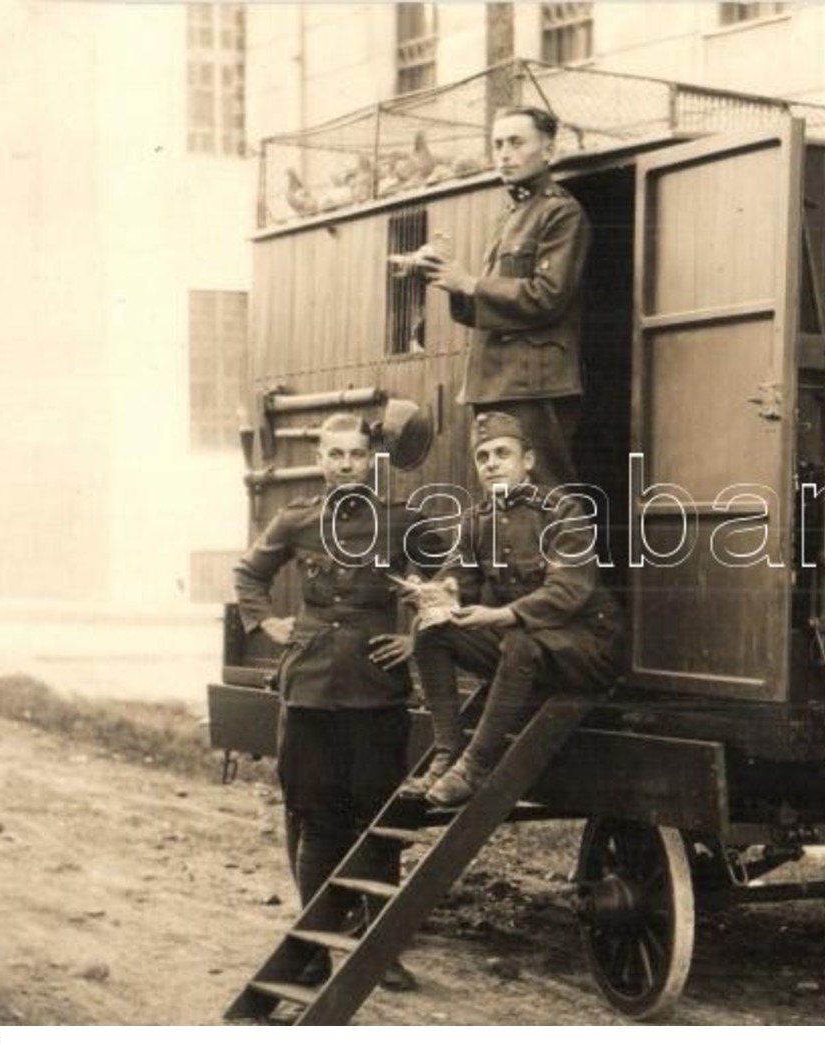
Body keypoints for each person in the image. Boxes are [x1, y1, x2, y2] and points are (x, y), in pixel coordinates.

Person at [233, 411, 425, 990]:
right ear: (320, 460)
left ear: (372, 460)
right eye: (334, 455)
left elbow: (449, 577)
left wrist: (417, 635)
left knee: (377, 818)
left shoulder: (402, 522)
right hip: (312, 688)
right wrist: (266, 624)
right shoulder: (297, 520)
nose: (346, 465)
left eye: (356, 455)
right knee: (314, 817)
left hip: (375, 689)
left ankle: (377, 949)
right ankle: (311, 950)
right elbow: (248, 574)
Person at [404, 411, 624, 807]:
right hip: (525, 648)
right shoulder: (476, 520)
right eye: (482, 457)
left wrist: (499, 616)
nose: (491, 464)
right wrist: (438, 592)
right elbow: (460, 577)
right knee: (429, 631)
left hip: (586, 648)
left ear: (528, 461)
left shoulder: (562, 511)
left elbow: (566, 592)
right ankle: (447, 751)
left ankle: (475, 766)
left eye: (502, 453)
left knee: (519, 641)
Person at [415, 105, 591, 487]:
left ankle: (569, 550)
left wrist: (471, 284)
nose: (504, 154)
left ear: (547, 150)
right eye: (497, 145)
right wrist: (449, 278)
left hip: (533, 384)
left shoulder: (561, 213)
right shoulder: (511, 214)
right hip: (495, 382)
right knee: (503, 497)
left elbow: (548, 296)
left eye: (516, 142)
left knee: (545, 492)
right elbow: (482, 310)